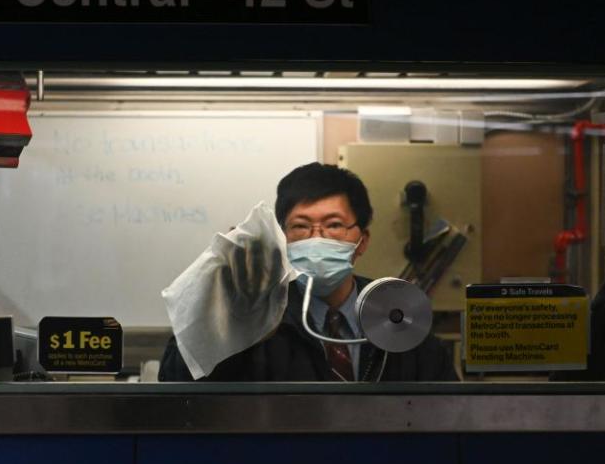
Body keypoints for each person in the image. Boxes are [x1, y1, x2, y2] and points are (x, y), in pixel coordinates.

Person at [159, 162, 457, 382]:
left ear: (362, 241)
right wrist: (233, 326)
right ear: (282, 238)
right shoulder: (257, 311)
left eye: (334, 225)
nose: (317, 238)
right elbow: (175, 389)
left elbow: (446, 409)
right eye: (301, 226)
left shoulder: (395, 311)